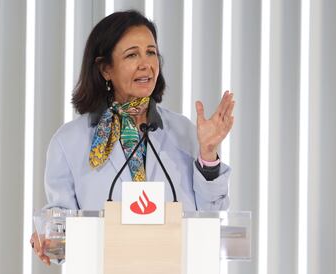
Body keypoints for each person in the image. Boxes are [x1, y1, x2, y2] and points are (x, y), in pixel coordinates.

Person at [31, 10, 235, 265]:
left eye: (151, 52)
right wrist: (49, 236)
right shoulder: (69, 142)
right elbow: (60, 219)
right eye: (132, 55)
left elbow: (212, 218)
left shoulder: (184, 132)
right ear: (105, 69)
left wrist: (208, 153)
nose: (146, 64)